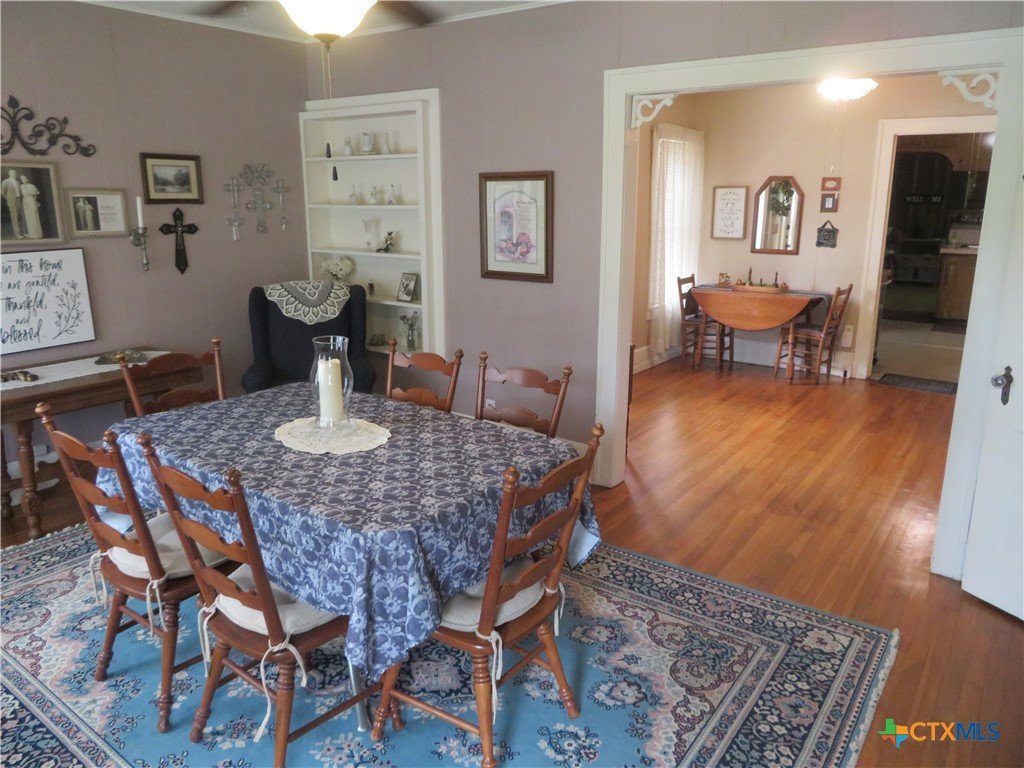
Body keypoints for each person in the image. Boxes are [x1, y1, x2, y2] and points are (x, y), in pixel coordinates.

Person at [19, 175, 42, 239]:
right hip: (25, 201)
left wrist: (34, 203)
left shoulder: (32, 186)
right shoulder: (21, 186)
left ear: (27, 178)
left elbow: (35, 195)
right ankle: (31, 234)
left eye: (24, 178)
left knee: (33, 217)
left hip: (31, 200)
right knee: (28, 217)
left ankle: (36, 234)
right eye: (22, 179)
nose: (23, 180)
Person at [2, 169, 23, 238]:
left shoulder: (17, 182)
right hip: (11, 200)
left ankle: (24, 231)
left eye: (15, 173)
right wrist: (8, 199)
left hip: (19, 199)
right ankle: (17, 233)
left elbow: (19, 191)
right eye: (12, 173)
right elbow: (2, 193)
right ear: (9, 173)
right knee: (14, 217)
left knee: (21, 215)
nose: (14, 174)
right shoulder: (5, 181)